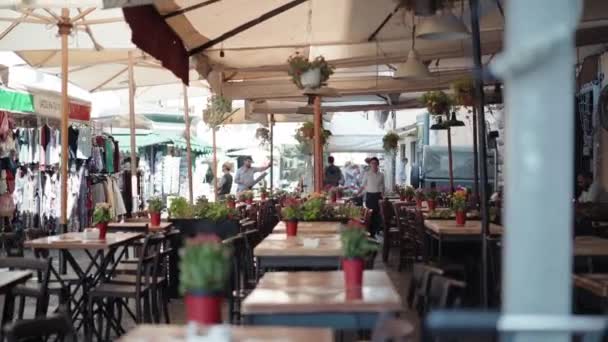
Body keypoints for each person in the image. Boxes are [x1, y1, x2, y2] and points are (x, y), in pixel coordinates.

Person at [358, 157, 385, 236]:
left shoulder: (381, 175)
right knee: (370, 215)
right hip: (370, 196)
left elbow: (383, 186)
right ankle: (371, 233)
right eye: (372, 163)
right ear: (370, 165)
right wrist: (357, 193)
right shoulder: (367, 174)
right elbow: (363, 186)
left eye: (375, 163)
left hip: (378, 196)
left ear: (378, 165)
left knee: (377, 215)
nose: (374, 165)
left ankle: (375, 231)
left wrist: (383, 196)